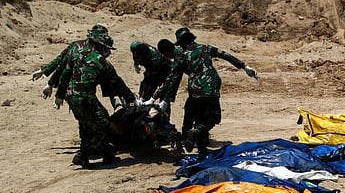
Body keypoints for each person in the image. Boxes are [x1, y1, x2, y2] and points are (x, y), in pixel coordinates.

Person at [154, 27, 257, 155]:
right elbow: (225, 55)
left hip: (195, 88)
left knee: (197, 114)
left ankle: (196, 141)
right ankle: (198, 132)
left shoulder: (181, 56)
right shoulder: (205, 48)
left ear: (180, 43)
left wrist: (162, 99)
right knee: (213, 117)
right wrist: (244, 66)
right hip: (211, 86)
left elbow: (172, 79)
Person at [54, 31, 136, 167]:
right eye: (107, 49)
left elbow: (65, 74)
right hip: (84, 97)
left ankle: (107, 154)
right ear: (101, 46)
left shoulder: (77, 55)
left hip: (71, 96)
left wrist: (60, 94)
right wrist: (131, 98)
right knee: (103, 122)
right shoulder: (102, 62)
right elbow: (117, 82)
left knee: (85, 123)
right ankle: (83, 154)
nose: (107, 52)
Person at [30, 24, 110, 100]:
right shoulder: (82, 48)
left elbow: (60, 61)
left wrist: (46, 76)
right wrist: (48, 79)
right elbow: (62, 63)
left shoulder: (76, 44)